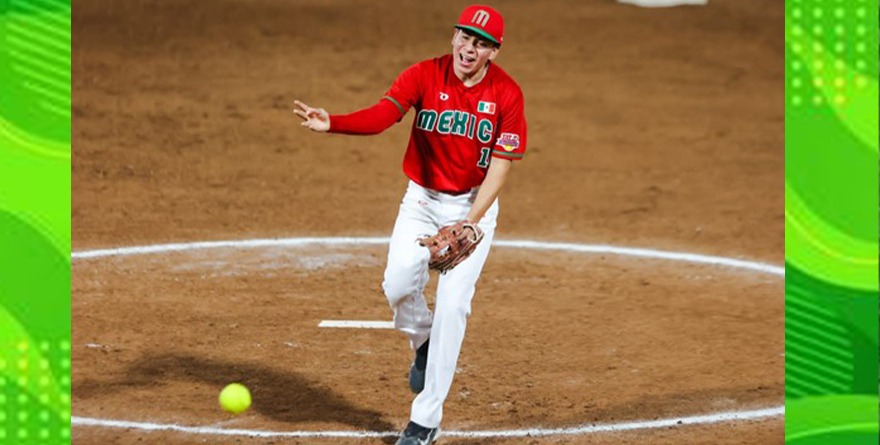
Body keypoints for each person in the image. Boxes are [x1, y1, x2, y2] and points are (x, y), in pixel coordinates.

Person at [294, 5, 526, 444]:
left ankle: (425, 419)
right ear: (453, 37)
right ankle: (421, 339)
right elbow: (384, 115)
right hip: (420, 200)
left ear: (493, 52)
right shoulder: (423, 75)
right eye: (463, 38)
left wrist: (470, 225)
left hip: (472, 210)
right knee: (398, 286)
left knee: (454, 307)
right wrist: (334, 124)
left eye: (479, 44)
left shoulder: (507, 95)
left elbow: (501, 165)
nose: (467, 49)